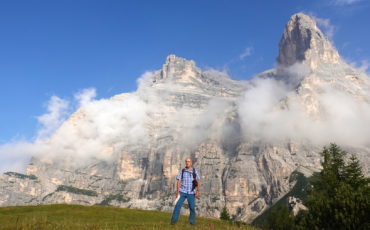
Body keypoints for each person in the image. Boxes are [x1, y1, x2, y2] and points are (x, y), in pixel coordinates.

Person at [170, 157, 200, 225]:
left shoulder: (195, 171)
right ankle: (173, 222)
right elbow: (179, 181)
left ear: (191, 163)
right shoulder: (182, 171)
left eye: (188, 161)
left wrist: (198, 191)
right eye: (186, 161)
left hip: (191, 192)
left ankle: (192, 223)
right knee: (177, 206)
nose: (187, 162)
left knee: (192, 207)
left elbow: (198, 181)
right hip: (182, 192)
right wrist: (177, 192)